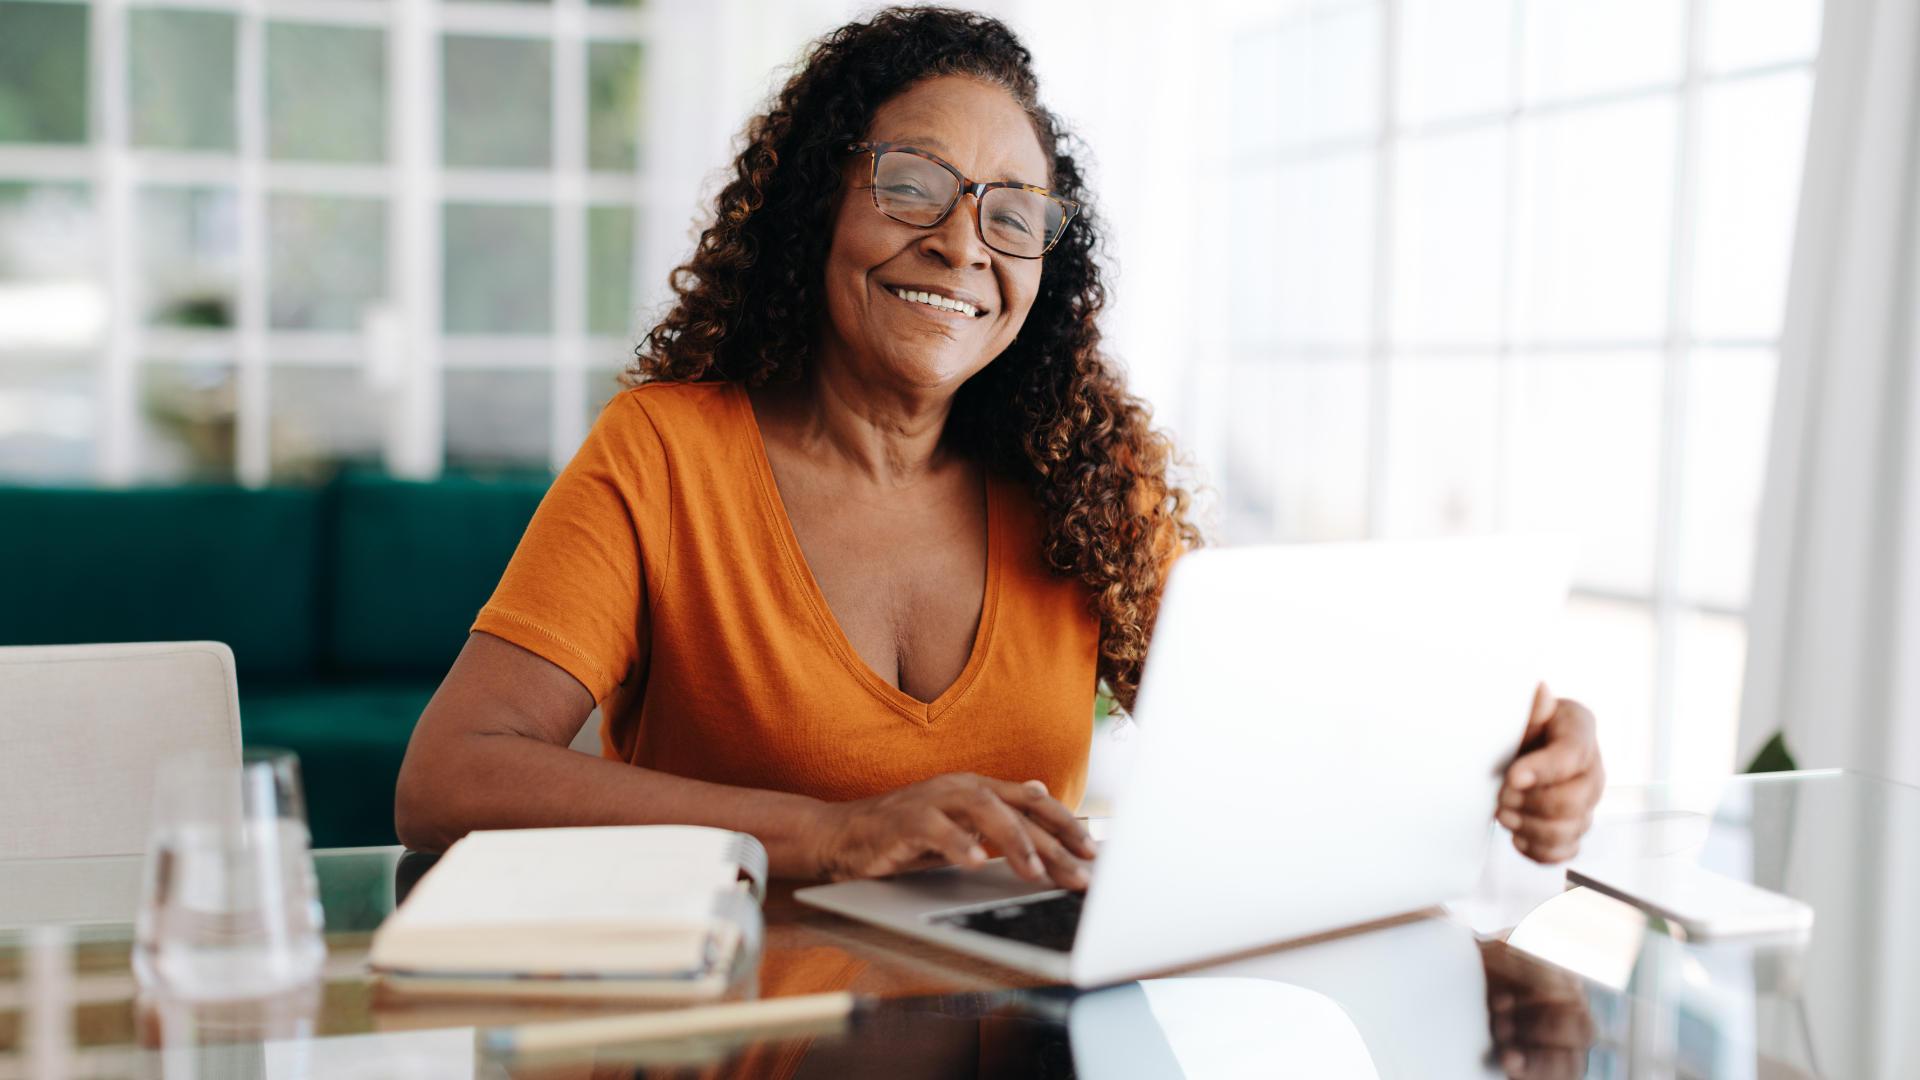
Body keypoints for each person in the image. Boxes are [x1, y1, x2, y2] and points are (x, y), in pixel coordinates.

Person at [393, 7, 1604, 887]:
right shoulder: (665, 453)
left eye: (1013, 213)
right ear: (821, 204)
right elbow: (449, 780)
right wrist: (836, 831)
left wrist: (1521, 756)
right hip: (737, 1028)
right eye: (914, 183)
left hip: (1022, 1033)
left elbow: (1306, 743)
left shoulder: (1084, 479)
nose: (964, 244)